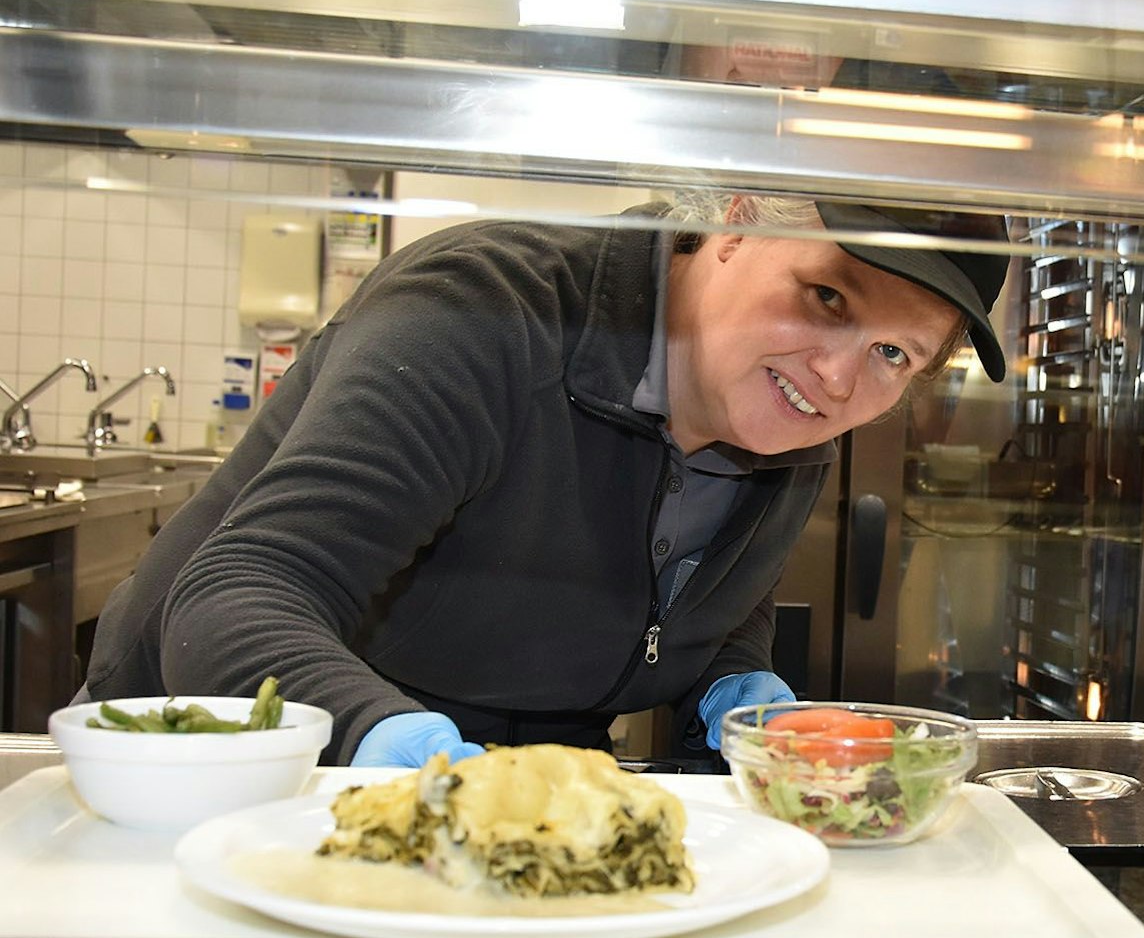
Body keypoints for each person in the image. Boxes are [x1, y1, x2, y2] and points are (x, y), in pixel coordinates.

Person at [82, 193, 1009, 767]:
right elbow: (235, 596)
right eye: (826, 297)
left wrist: (733, 684)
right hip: (203, 765)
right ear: (733, 228)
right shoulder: (480, 313)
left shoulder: (793, 415)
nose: (839, 378)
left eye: (893, 352)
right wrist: (400, 747)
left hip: (511, 805)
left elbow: (702, 607)